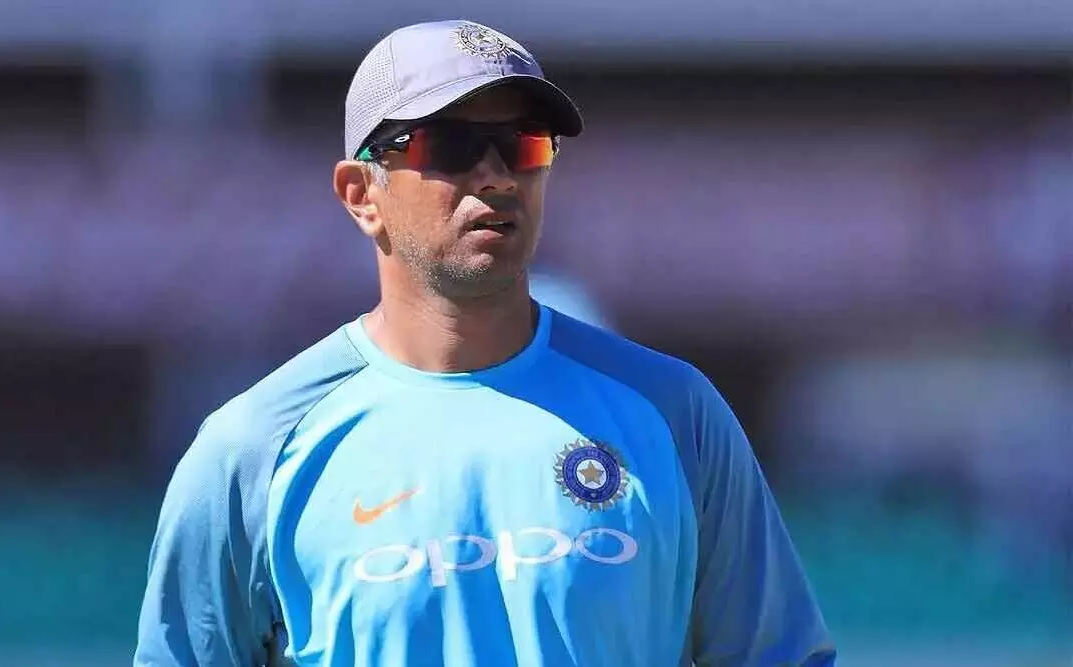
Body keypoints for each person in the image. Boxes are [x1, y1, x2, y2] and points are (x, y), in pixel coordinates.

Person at [134, 19, 836, 667]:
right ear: (361, 193)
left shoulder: (675, 412)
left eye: (524, 146)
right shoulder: (253, 450)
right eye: (452, 147)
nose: (497, 176)